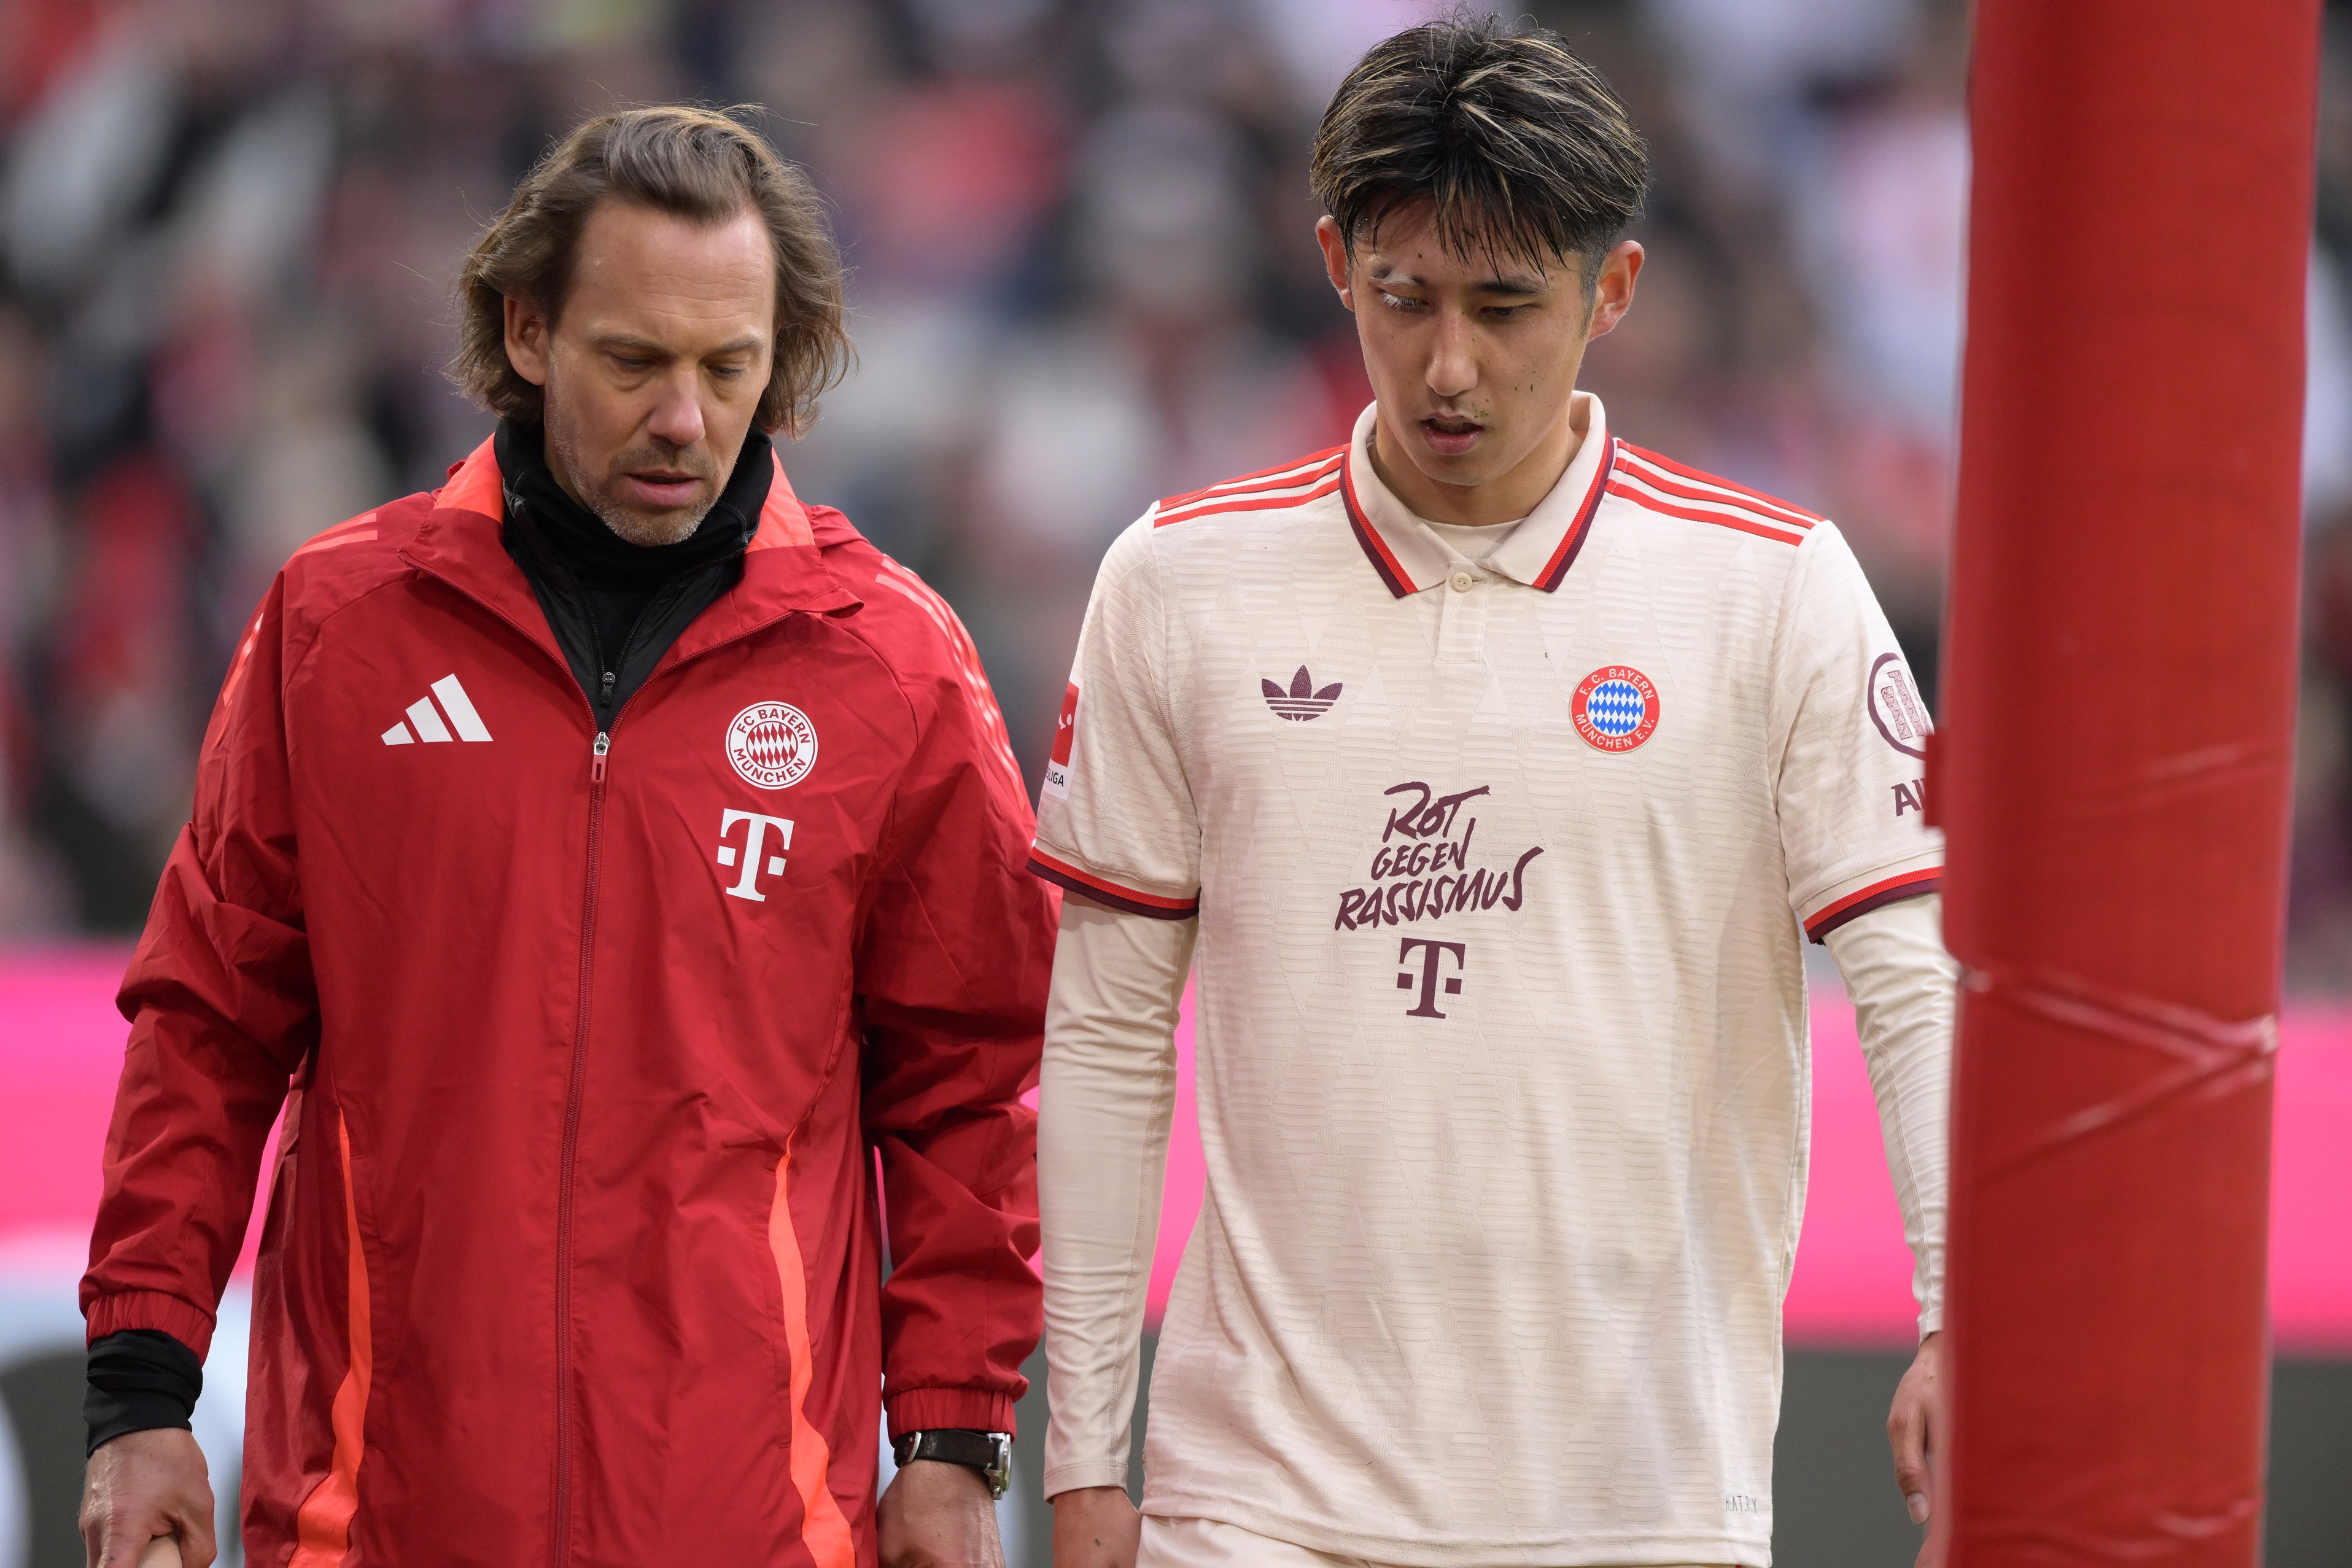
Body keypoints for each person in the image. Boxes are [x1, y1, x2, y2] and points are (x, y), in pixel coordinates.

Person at [76, 106, 1054, 1568]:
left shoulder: (893, 664)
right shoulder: (337, 628)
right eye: (634, 360)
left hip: (750, 1527)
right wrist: (141, 1398)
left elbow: (975, 1085)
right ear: (528, 331)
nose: (685, 419)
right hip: (373, 1522)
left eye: (728, 366)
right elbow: (205, 1029)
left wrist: (955, 1443)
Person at [1034, 18, 1953, 1568]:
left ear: (1613, 289)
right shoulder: (1175, 581)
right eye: (1404, 298)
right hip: (1252, 1505)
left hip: (1643, 1508)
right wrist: (1079, 1456)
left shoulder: (1773, 587)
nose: (1448, 365)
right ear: (1334, 265)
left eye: (1505, 305)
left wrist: (1958, 1312)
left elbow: (1913, 977)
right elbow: (1107, 1029)